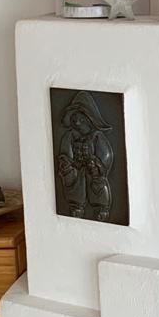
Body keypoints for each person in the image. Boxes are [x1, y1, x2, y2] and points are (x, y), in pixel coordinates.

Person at [56, 90, 114, 221]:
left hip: (93, 170)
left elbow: (106, 154)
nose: (77, 123)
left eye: (81, 119)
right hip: (77, 170)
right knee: (75, 188)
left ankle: (101, 209)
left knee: (97, 187)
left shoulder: (97, 136)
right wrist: (67, 164)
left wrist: (98, 164)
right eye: (74, 119)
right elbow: (65, 153)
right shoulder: (69, 136)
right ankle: (75, 207)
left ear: (89, 119)